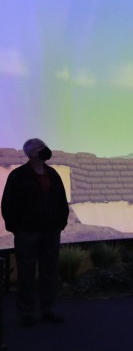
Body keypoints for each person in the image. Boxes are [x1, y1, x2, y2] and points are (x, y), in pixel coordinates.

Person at [1, 138, 70, 327]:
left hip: (50, 232)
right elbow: (8, 204)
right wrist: (17, 228)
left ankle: (49, 309)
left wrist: (60, 223)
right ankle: (27, 313)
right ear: (31, 154)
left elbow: (61, 201)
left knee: (50, 272)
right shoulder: (18, 176)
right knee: (26, 274)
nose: (45, 150)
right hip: (27, 233)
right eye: (41, 148)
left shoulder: (53, 174)